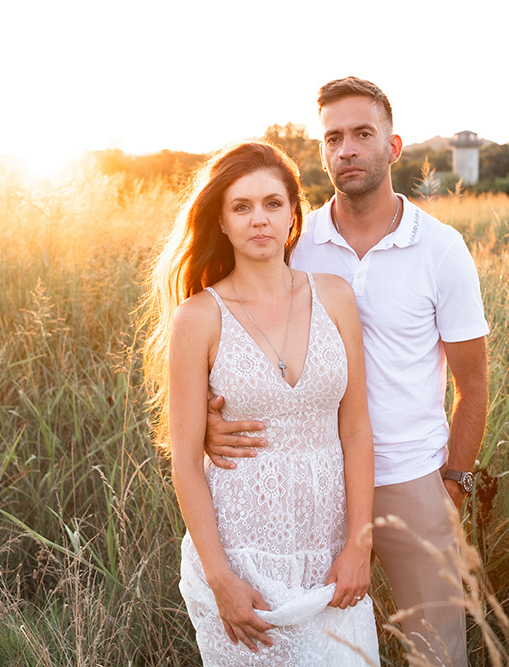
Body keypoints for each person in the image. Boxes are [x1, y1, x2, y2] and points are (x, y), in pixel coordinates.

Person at [205, 77, 490, 665]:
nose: (347, 149)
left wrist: (454, 483)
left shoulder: (441, 249)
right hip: (308, 482)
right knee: (322, 652)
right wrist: (210, 424)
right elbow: (228, 334)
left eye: (363, 134)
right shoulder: (291, 240)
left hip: (411, 478)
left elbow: (474, 383)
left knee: (437, 655)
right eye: (333, 137)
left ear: (394, 146)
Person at [142, 141, 380, 665]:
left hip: (330, 553)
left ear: (294, 214)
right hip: (242, 555)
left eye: (273, 204)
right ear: (221, 223)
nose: (259, 220)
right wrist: (219, 576)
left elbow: (357, 430)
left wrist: (359, 544)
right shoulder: (198, 319)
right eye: (241, 207)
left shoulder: (335, 297)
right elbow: (184, 461)